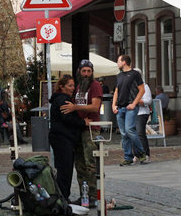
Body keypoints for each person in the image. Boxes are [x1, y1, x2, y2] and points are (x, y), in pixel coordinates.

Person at [58, 59, 104, 203]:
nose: (86, 74)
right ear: (79, 72)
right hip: (79, 129)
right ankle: (84, 195)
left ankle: (93, 196)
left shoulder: (95, 86)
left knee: (90, 163)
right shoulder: (78, 87)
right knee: (80, 164)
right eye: (83, 71)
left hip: (91, 130)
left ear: (92, 72)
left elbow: (95, 107)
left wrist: (75, 107)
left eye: (89, 71)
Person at [48, 74, 85, 202]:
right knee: (65, 169)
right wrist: (83, 122)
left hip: (60, 138)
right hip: (62, 138)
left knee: (63, 168)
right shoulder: (63, 99)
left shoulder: (59, 98)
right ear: (62, 87)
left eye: (73, 85)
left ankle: (62, 196)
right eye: (70, 85)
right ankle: (63, 197)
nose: (73, 88)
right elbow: (67, 118)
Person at [112, 53, 146, 165]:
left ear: (124, 62)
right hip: (120, 108)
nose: (117, 63)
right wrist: (113, 105)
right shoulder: (119, 76)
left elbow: (142, 90)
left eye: (118, 61)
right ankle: (128, 157)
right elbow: (116, 91)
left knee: (129, 130)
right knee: (124, 134)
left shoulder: (135, 74)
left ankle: (140, 153)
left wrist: (134, 103)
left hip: (130, 107)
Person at [135, 82, 152, 159]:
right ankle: (136, 154)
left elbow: (148, 100)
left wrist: (136, 101)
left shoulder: (144, 86)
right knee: (131, 134)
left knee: (140, 133)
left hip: (142, 112)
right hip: (131, 112)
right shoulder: (128, 85)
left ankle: (145, 154)